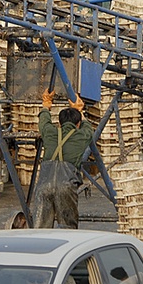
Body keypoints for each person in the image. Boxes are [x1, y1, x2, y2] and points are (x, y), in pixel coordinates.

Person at [34, 90, 93, 228]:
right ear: (77, 124)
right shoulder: (81, 136)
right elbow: (88, 128)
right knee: (68, 228)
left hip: (44, 186)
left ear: (60, 124)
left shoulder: (50, 132)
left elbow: (44, 121)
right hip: (66, 187)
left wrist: (46, 104)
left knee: (41, 228)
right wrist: (79, 110)